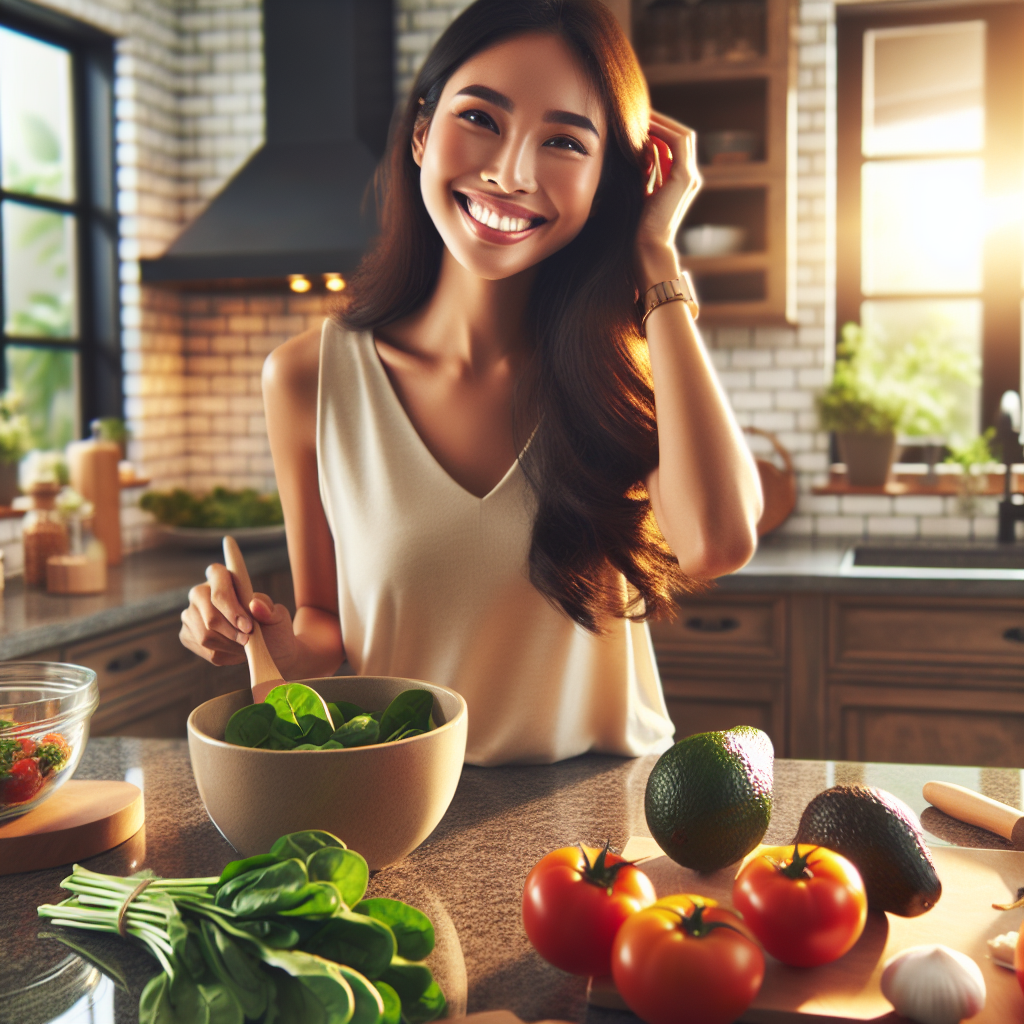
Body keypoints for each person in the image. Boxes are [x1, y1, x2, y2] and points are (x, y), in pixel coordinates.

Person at [179, 0, 763, 766]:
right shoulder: (308, 378)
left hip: (611, 829)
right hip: (408, 813)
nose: (511, 172)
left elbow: (717, 542)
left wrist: (655, 253)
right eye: (482, 118)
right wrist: (266, 637)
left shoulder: (630, 368)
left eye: (563, 141)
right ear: (422, 133)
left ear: (603, 186)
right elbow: (327, 627)